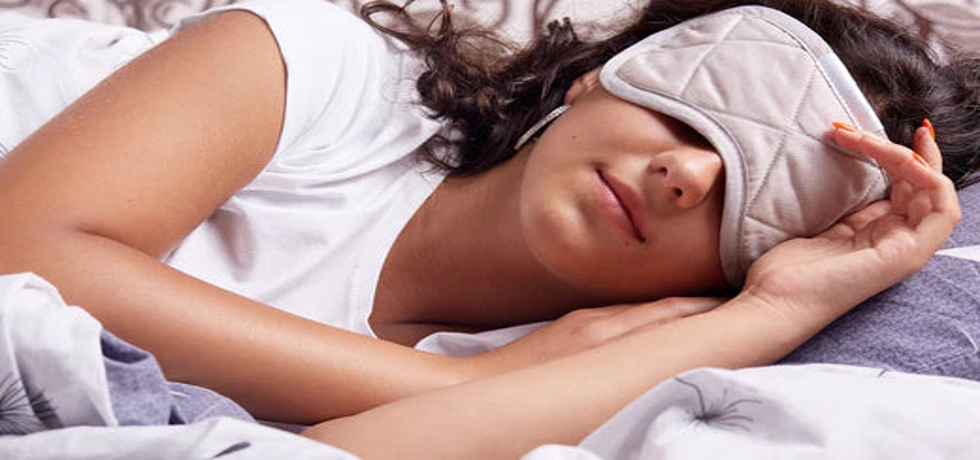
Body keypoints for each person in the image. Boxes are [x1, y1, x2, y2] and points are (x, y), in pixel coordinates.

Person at [0, 0, 974, 458]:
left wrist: (772, 313)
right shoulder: (321, 76)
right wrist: (464, 389)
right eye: (691, 117)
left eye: (758, 197)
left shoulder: (578, 367)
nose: (687, 174)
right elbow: (23, 254)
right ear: (596, 75)